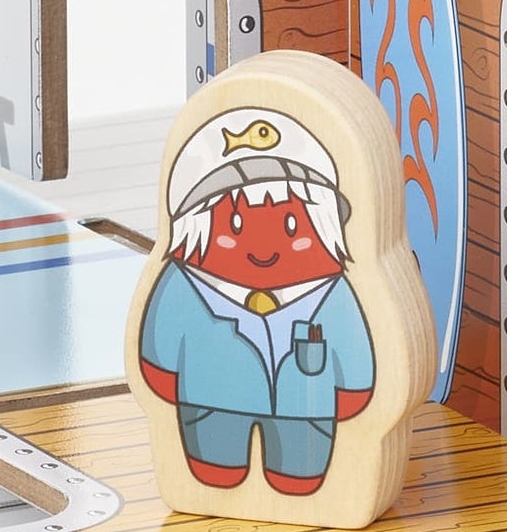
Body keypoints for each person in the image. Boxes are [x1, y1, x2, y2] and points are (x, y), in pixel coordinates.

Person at [135, 108, 378, 495]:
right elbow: (159, 344)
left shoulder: (332, 295)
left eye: (291, 225)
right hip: (210, 402)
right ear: (195, 230)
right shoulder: (184, 286)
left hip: (305, 413)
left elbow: (355, 355)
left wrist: (353, 387)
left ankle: (295, 479)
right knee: (215, 472)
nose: (264, 249)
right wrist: (161, 369)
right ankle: (216, 471)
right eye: (235, 225)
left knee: (299, 478)